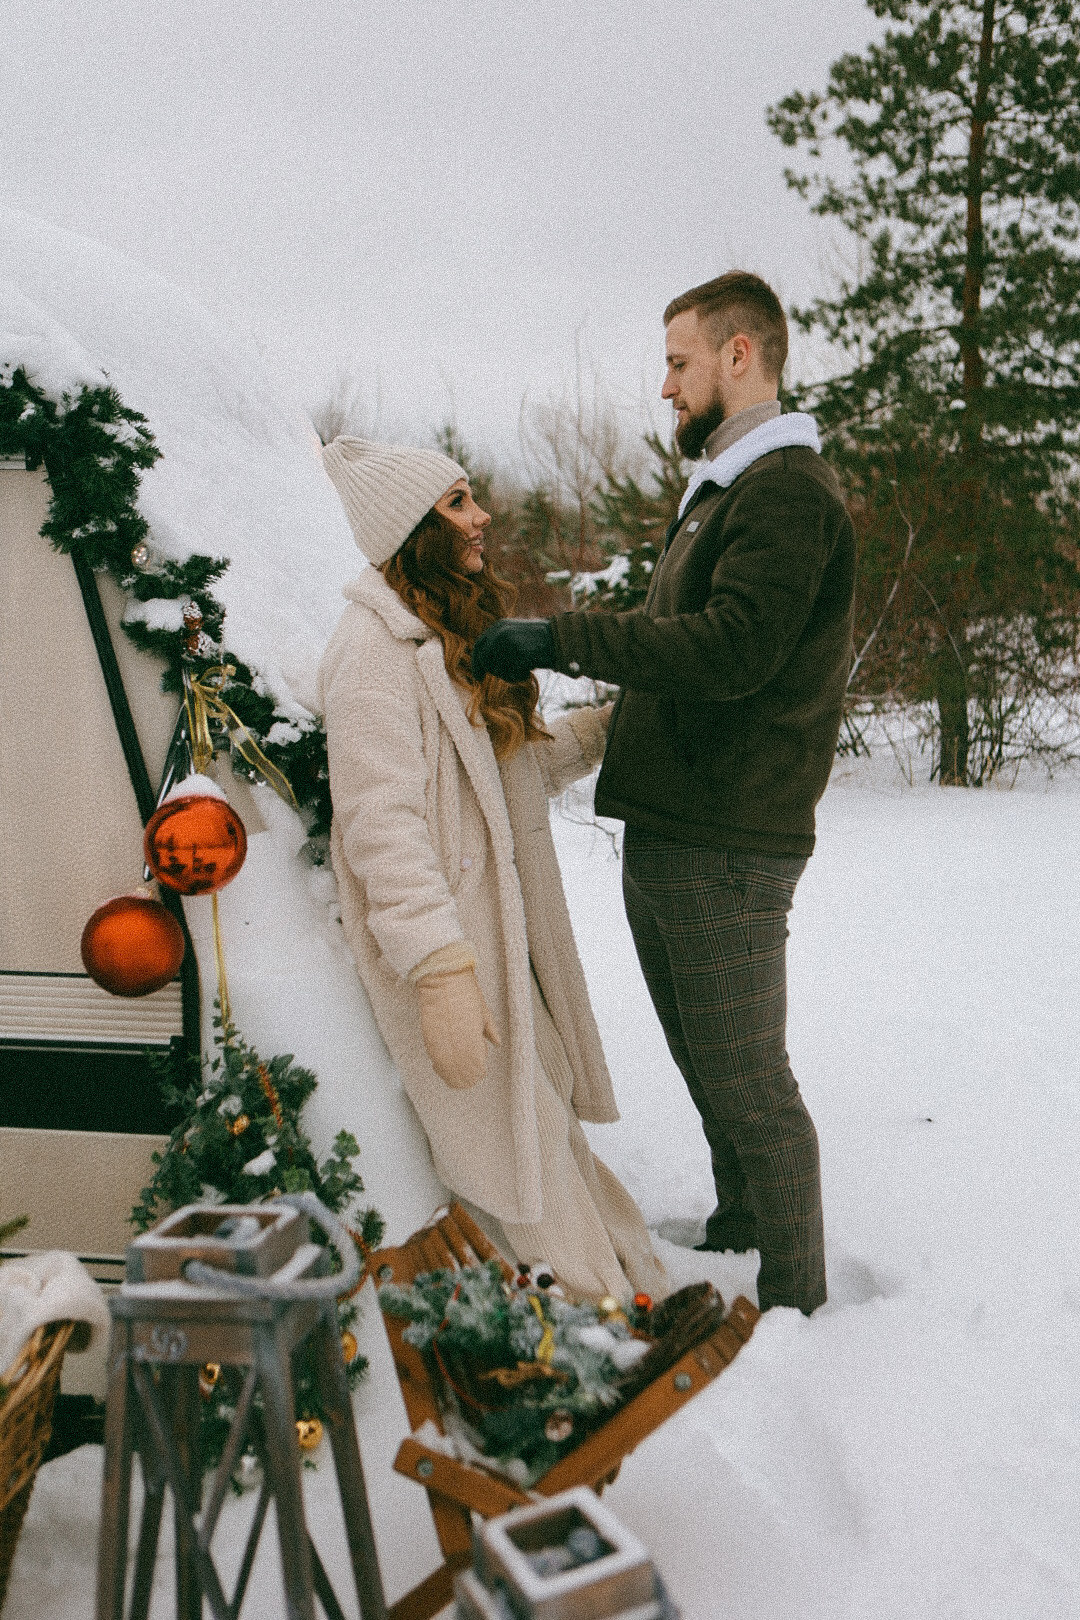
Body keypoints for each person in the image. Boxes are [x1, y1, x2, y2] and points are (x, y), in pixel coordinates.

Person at [472, 272, 856, 1315]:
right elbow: (690, 660)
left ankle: (797, 1298)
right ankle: (741, 1222)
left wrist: (561, 636)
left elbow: (731, 652)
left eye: (679, 363)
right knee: (704, 1058)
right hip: (681, 822)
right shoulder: (729, 493)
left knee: (750, 1079)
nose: (666, 388)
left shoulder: (784, 493)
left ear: (742, 357)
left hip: (731, 837)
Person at [318, 436, 667, 1304]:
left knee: (544, 1129)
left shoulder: (440, 638)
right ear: (412, 529)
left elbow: (504, 776)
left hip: (503, 944)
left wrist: (605, 730)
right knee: (516, 1147)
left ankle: (622, 1288)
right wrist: (439, 969)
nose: (480, 520)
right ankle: (589, 1317)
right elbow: (380, 822)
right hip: (455, 956)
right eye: (459, 504)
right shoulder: (371, 654)